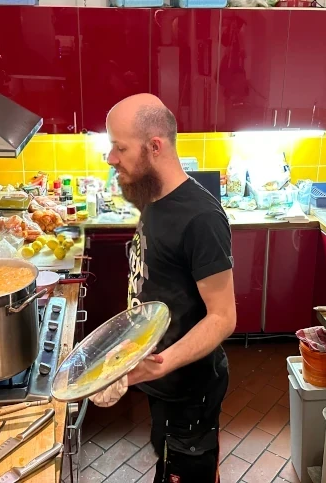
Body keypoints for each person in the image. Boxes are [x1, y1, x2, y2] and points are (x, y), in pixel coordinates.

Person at [89, 94, 237, 483]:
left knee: (189, 471)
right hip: (162, 383)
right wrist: (127, 354)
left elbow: (224, 318)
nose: (110, 158)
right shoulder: (152, 196)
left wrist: (152, 367)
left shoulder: (201, 218)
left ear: (155, 147)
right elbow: (156, 286)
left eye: (120, 148)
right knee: (169, 461)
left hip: (189, 389)